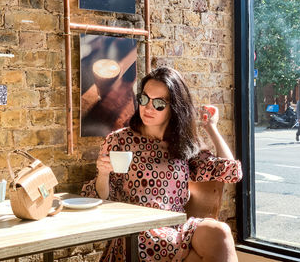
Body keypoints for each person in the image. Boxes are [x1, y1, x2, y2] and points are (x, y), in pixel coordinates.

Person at [81, 67, 243, 262]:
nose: (148, 108)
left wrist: (211, 128)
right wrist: (103, 173)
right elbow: (103, 197)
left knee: (221, 232)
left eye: (158, 103)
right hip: (138, 234)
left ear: (174, 107)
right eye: (143, 99)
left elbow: (230, 172)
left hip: (176, 231)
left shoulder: (183, 145)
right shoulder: (119, 140)